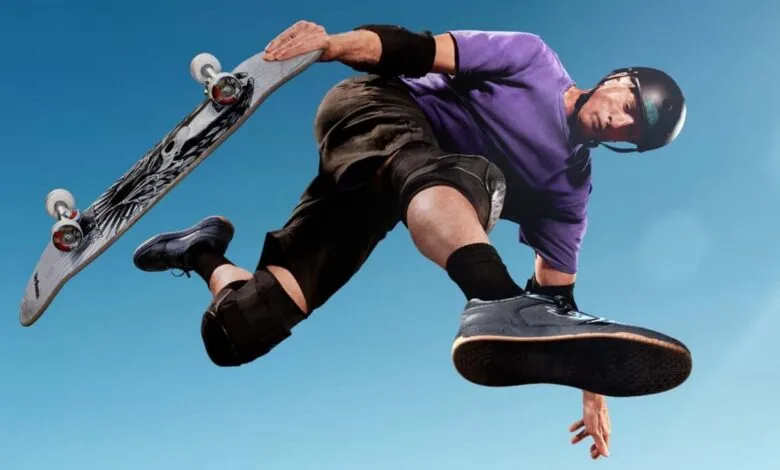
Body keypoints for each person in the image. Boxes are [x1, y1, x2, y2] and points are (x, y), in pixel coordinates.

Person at [132, 21, 691, 459]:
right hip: (374, 111)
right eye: (627, 108)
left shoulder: (570, 188)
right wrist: (329, 46)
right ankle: (492, 296)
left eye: (633, 133)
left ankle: (199, 248)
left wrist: (596, 381)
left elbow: (558, 303)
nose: (619, 124)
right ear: (616, 79)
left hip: (386, 194)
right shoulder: (532, 60)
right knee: (470, 177)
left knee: (238, 332)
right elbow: (416, 50)